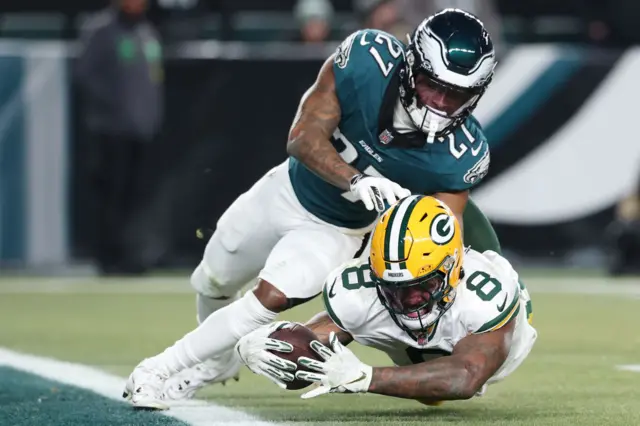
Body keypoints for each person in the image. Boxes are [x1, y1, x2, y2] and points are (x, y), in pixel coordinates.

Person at [123, 8, 503, 408]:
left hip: (339, 231)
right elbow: (302, 137)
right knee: (212, 280)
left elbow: (446, 233)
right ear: (411, 69)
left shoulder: (462, 153)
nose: (441, 103)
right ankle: (216, 363)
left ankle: (158, 369)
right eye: (432, 86)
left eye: (456, 94)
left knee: (268, 298)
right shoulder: (367, 58)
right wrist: (355, 180)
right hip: (288, 189)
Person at [237, 196, 537, 403]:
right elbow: (307, 355)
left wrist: (365, 377)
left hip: (497, 345)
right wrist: (265, 349)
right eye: (396, 287)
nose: (410, 299)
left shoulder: (485, 294)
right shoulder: (358, 292)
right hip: (414, 352)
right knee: (427, 393)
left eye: (424, 284)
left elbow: (466, 377)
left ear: (451, 271)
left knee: (447, 194)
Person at [75, 0, 163, 275]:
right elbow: (84, 75)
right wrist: (114, 107)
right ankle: (107, 256)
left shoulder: (147, 31)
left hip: (142, 128)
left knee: (134, 196)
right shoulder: (101, 30)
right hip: (110, 129)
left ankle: (131, 255)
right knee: (110, 194)